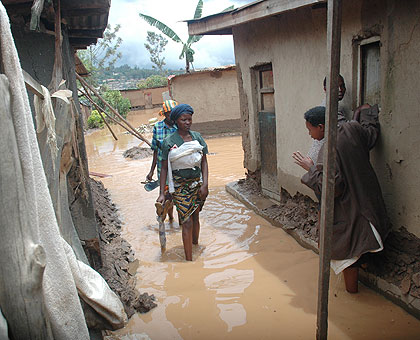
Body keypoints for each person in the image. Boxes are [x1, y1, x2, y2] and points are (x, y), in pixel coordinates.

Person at [292, 105, 390, 293]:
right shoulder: (353, 128)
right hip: (369, 199)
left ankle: (352, 293)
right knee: (362, 241)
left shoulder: (328, 148)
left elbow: (332, 187)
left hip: (352, 205)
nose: (310, 134)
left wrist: (310, 168)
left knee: (346, 254)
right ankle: (364, 268)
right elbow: (371, 135)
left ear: (321, 126)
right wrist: (366, 113)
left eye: (309, 129)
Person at [157, 104, 209, 261]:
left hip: (197, 184)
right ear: (176, 121)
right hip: (179, 187)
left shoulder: (197, 137)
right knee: (186, 221)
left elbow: (204, 162)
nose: (187, 122)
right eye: (183, 119)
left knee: (195, 218)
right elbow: (165, 168)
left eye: (189, 119)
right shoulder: (168, 142)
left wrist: (205, 184)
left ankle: (195, 246)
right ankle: (189, 261)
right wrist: (162, 193)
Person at [146, 99, 178, 221]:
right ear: (164, 114)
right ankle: (169, 216)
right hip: (162, 169)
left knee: (178, 194)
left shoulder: (179, 126)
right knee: (166, 194)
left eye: (173, 113)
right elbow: (155, 151)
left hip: (177, 168)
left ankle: (178, 221)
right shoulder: (158, 127)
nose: (171, 116)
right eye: (169, 113)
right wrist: (151, 172)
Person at [306, 75, 348, 165]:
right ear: (325, 89)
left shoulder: (334, 105)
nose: (340, 90)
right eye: (336, 87)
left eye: (342, 86)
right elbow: (346, 132)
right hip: (321, 161)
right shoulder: (330, 109)